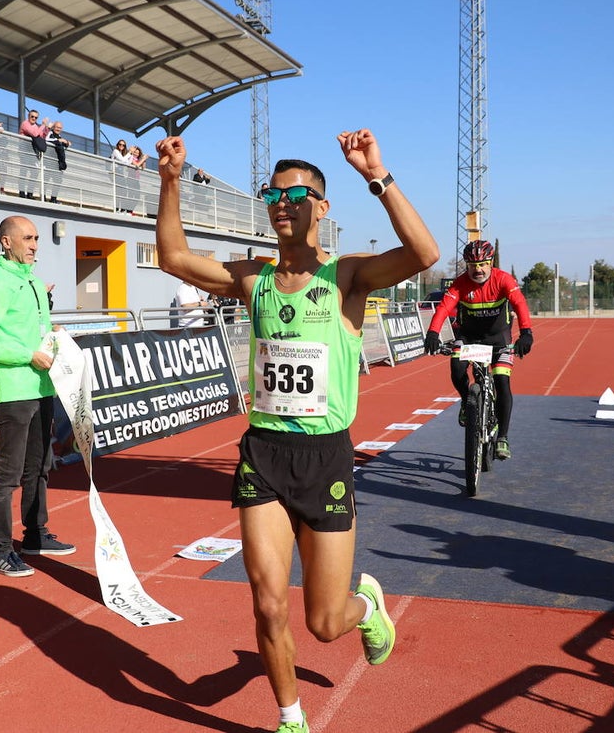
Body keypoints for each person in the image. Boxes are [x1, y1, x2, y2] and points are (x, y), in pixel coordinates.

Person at [154, 129, 438, 733]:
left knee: (324, 622)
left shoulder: (347, 278)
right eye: (273, 194)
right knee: (266, 600)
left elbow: (424, 254)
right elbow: (174, 259)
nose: (282, 203)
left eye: (297, 193)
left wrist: (378, 175)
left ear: (322, 206)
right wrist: (171, 180)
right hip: (264, 452)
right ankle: (290, 718)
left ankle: (366, 607)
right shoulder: (252, 278)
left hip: (324, 456)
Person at [0, 215, 76, 576]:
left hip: (41, 386)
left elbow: (30, 329)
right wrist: (28, 354)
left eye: (36, 239)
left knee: (40, 467)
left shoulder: (29, 279)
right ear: (6, 243)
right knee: (8, 474)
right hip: (14, 390)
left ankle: (35, 534)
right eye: (27, 238)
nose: (34, 245)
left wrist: (52, 332)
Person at [422, 239, 533, 461]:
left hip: (499, 339)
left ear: (490, 262)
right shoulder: (460, 284)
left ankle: (502, 437)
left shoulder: (503, 279)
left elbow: (520, 304)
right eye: (473, 265)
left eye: (483, 264)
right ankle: (466, 401)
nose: (478, 269)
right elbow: (443, 308)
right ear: (467, 265)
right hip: (469, 338)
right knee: (456, 368)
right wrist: (433, 333)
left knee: (502, 380)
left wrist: (526, 333)